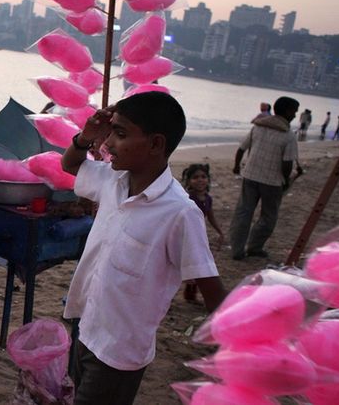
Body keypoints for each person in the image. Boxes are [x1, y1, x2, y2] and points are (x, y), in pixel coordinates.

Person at [60, 92, 225, 404]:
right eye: (110, 133)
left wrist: (247, 341)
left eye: (120, 135)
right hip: (84, 324)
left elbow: (209, 284)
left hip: (118, 353)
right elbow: (70, 165)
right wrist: (86, 136)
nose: (107, 144)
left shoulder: (180, 213)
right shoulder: (114, 179)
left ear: (155, 144)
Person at [228, 96, 299, 261]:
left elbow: (241, 149)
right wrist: (286, 180)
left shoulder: (258, 127)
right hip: (272, 182)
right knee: (268, 217)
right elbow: (287, 163)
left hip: (251, 175)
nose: (295, 115)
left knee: (243, 213)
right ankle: (254, 247)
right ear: (287, 111)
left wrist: (237, 166)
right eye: (294, 111)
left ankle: (237, 250)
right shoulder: (288, 135)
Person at [181, 163, 224, 302]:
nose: (200, 180)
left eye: (203, 177)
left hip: (199, 237)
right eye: (195, 177)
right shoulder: (187, 199)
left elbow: (210, 216)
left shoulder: (207, 199)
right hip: (186, 236)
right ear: (188, 181)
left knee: (197, 266)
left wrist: (219, 231)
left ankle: (190, 294)